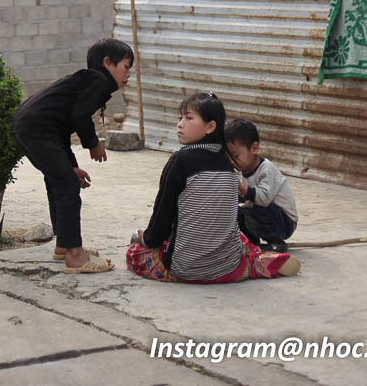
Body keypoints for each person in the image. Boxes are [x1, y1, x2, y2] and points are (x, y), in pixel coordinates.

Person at [127, 91, 300, 282]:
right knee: (236, 237)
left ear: (210, 127)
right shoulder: (228, 164)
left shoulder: (179, 161)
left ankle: (248, 261)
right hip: (229, 266)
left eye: (189, 118)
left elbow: (162, 218)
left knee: (135, 252)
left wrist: (145, 239)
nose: (180, 124)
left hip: (186, 268)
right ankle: (255, 260)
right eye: (179, 118)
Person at [11, 38, 133, 273]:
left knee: (61, 179)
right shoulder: (98, 80)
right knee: (67, 186)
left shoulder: (86, 82)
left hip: (30, 127)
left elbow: (61, 128)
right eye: (126, 67)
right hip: (37, 129)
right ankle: (75, 256)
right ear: (107, 62)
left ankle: (64, 245)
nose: (128, 74)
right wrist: (93, 143)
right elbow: (79, 117)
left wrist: (71, 166)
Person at [225, 118, 299, 252]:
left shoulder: (266, 169)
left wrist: (240, 186)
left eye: (235, 156)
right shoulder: (243, 170)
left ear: (254, 148)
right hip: (265, 213)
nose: (232, 161)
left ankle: (276, 243)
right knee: (237, 213)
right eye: (229, 157)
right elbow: (245, 197)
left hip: (284, 221)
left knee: (253, 213)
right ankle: (251, 242)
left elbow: (263, 199)